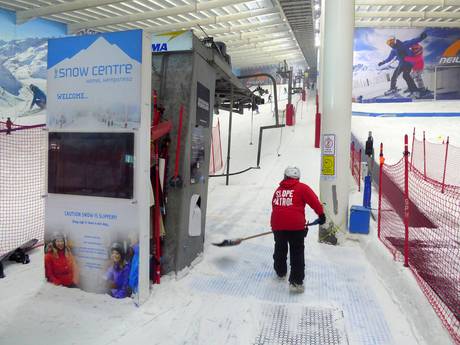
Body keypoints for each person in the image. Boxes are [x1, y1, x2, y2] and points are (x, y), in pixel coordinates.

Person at [270, 166, 326, 293]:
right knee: (297, 252)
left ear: (285, 176)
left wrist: (276, 225)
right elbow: (314, 201)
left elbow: (275, 206)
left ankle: (280, 271)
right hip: (296, 226)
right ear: (298, 178)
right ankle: (296, 282)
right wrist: (321, 215)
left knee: (280, 247)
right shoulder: (302, 188)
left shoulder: (278, 190)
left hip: (278, 224)